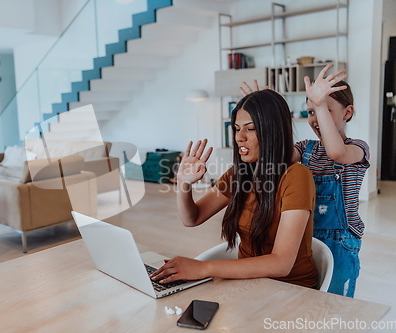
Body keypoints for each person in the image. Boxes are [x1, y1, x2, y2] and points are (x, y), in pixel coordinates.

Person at [150, 90, 319, 289]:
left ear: (273, 131)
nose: (240, 137)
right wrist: (184, 183)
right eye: (237, 129)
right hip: (248, 284)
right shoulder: (238, 174)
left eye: (251, 128)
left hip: (291, 289)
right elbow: (192, 218)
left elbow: (281, 263)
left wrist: (204, 268)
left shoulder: (297, 176)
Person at [240, 64, 370, 298]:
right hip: (303, 237)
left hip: (340, 244)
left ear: (347, 113)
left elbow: (336, 152)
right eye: (310, 111)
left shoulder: (358, 148)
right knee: (307, 301)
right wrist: (265, 113)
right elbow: (274, 152)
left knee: (336, 305)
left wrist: (318, 104)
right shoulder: (305, 149)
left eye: (324, 110)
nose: (316, 118)